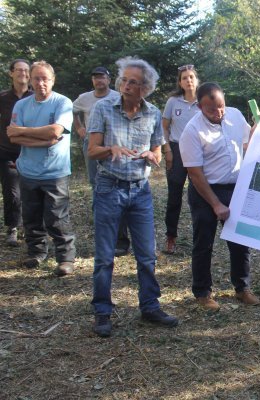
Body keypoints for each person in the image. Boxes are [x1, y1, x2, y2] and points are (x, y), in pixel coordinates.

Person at [87, 56, 178, 337]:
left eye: (133, 82)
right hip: (108, 187)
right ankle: (102, 312)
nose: (126, 85)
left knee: (147, 255)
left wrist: (153, 155)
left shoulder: (152, 113)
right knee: (104, 257)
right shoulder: (103, 108)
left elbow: (159, 152)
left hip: (140, 190)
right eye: (124, 80)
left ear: (145, 88)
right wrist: (109, 149)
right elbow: (92, 150)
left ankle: (149, 306)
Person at [179, 82, 260, 312]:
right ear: (199, 107)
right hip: (206, 190)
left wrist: (258, 130)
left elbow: (247, 142)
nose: (219, 113)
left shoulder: (234, 115)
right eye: (212, 110)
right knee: (204, 243)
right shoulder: (192, 131)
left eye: (221, 107)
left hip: (234, 187)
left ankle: (242, 288)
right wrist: (215, 204)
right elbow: (194, 173)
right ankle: (203, 292)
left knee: (240, 241)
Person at [8, 61, 75, 277]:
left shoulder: (62, 103)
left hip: (54, 171)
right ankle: (36, 252)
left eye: (45, 78)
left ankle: (65, 258)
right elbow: (11, 135)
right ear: (31, 80)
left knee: (56, 217)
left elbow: (55, 131)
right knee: (31, 215)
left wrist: (25, 133)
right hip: (27, 170)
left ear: (53, 80)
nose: (41, 83)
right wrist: (43, 137)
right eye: (36, 78)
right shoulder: (21, 106)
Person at [72, 67, 129, 257]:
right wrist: (80, 129)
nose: (99, 81)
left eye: (102, 77)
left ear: (109, 79)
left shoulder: (116, 96)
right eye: (95, 77)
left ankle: (120, 239)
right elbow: (73, 111)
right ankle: (102, 231)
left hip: (114, 144)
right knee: (96, 184)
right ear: (92, 80)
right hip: (92, 143)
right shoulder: (84, 98)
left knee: (118, 185)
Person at [161, 64, 200, 255]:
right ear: (180, 82)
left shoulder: (204, 101)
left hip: (198, 151)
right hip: (176, 150)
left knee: (198, 196)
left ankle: (199, 238)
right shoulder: (173, 102)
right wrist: (167, 150)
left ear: (196, 79)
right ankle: (171, 237)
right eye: (185, 78)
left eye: (191, 77)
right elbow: (164, 127)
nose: (189, 80)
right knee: (174, 197)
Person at [0, 59, 32, 247]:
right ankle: (12, 228)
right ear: (11, 73)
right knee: (12, 192)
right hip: (7, 152)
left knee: (31, 192)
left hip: (31, 152)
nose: (23, 73)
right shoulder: (3, 97)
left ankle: (32, 228)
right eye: (19, 70)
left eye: (26, 70)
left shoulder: (35, 97)